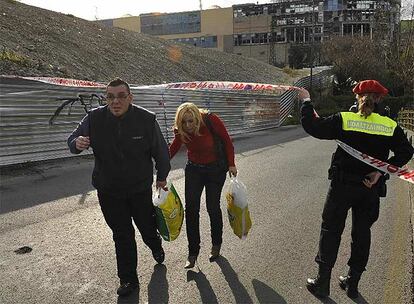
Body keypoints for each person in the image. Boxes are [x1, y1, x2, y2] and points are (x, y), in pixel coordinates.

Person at [297, 80, 413, 299]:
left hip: (341, 186)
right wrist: (381, 172)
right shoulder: (389, 125)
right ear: (379, 99)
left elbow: (313, 126)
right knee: (361, 234)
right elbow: (406, 151)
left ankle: (322, 283)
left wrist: (306, 100)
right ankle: (352, 284)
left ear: (357, 97)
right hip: (370, 189)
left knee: (331, 231)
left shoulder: (344, 119)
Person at [67, 78, 171, 297]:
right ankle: (128, 280)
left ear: (130, 97)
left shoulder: (146, 119)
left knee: (146, 228)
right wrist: (76, 143)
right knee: (122, 234)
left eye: (121, 96)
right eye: (110, 97)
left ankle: (155, 246)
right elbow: (73, 138)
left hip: (139, 189)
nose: (115, 101)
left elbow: (161, 152)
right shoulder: (94, 118)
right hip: (109, 191)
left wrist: (161, 177)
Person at [169, 102, 237, 269]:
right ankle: (193, 253)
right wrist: (161, 169)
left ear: (197, 118)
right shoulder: (182, 128)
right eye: (183, 122)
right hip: (194, 169)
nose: (187, 125)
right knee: (191, 209)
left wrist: (231, 164)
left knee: (212, 207)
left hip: (215, 169)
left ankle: (216, 244)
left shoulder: (211, 120)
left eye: (190, 121)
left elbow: (227, 142)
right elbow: (174, 147)